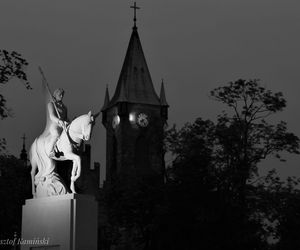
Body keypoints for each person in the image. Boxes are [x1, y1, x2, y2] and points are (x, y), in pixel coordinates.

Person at [47, 88, 69, 158]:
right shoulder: (51, 104)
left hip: (63, 126)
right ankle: (50, 151)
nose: (62, 96)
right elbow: (51, 116)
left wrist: (69, 122)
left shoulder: (64, 108)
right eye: (60, 95)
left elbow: (66, 118)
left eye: (62, 95)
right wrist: (59, 121)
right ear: (55, 95)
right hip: (55, 125)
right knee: (56, 134)